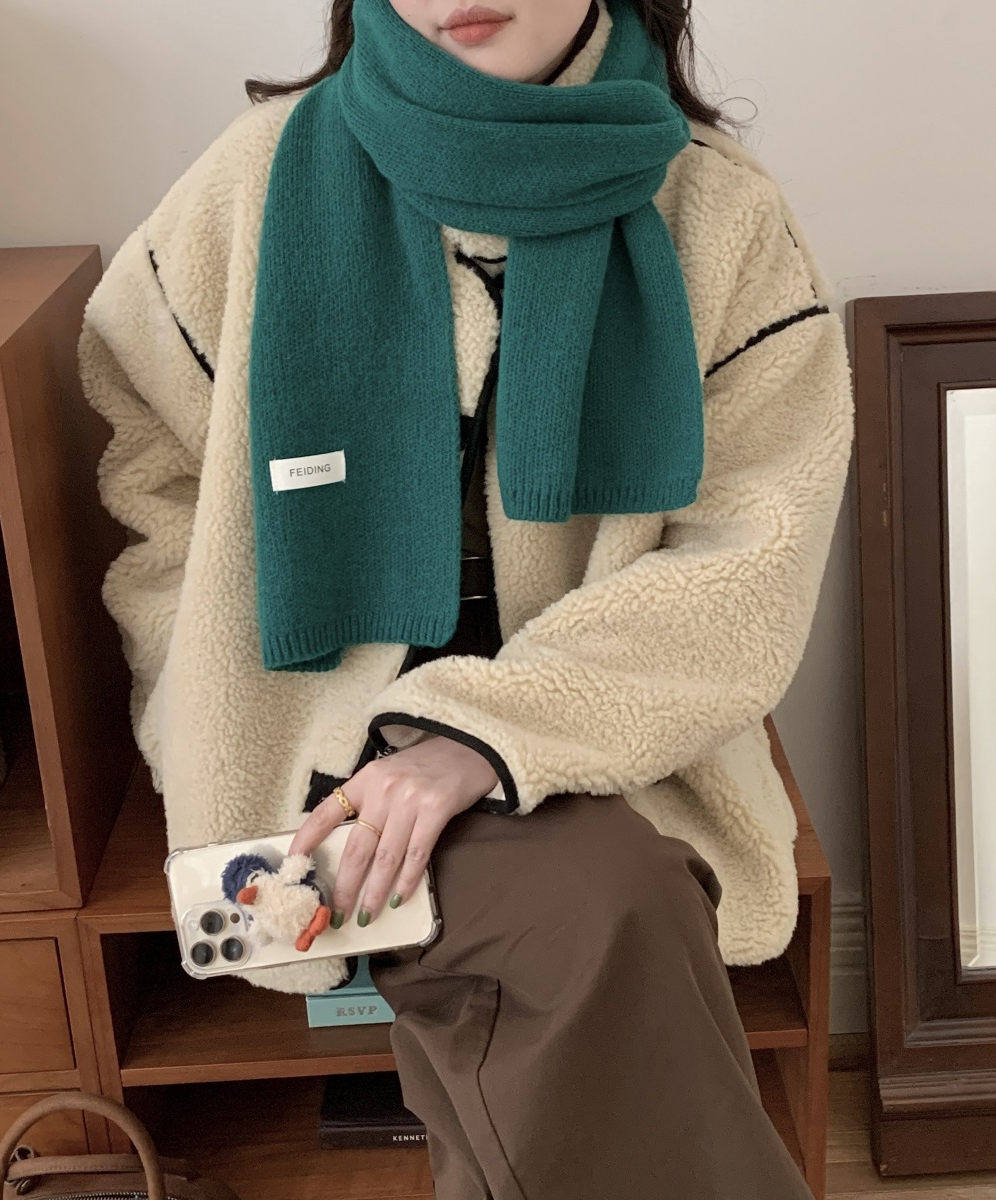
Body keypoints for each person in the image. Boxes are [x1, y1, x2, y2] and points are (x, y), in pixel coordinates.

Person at [77, 0, 854, 1194]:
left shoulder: (719, 213)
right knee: (602, 916)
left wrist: (480, 738)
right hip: (309, 730)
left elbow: (752, 557)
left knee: (604, 905)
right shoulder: (256, 181)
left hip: (599, 724)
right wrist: (193, 683)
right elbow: (151, 459)